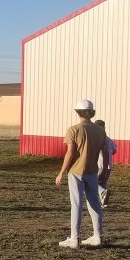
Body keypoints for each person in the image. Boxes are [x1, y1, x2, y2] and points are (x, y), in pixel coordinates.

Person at [55, 99, 109, 248]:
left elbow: (70, 153)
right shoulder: (100, 131)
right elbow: (105, 152)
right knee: (94, 204)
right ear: (91, 113)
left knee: (76, 204)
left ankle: (75, 238)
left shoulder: (73, 130)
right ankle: (98, 236)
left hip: (76, 172)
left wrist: (61, 172)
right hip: (92, 172)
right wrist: (104, 170)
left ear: (78, 112)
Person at [95, 119, 117, 206]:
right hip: (109, 165)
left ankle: (103, 192)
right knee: (103, 182)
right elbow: (114, 150)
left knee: (93, 183)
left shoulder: (96, 139)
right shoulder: (107, 138)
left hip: (99, 164)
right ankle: (104, 201)